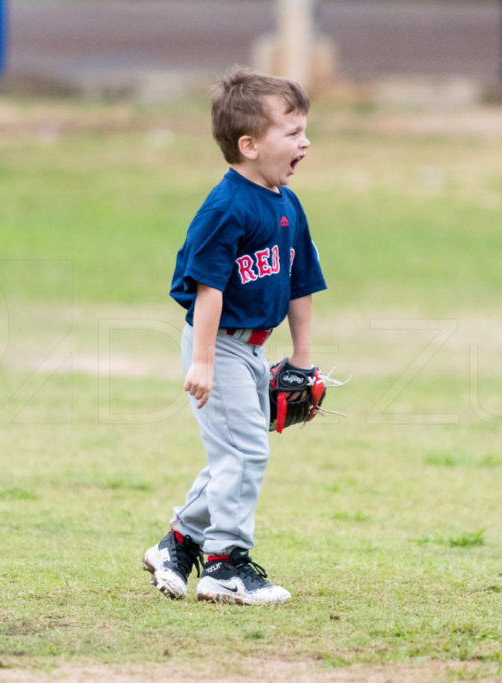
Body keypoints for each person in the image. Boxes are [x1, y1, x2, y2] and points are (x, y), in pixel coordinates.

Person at [143, 67, 326, 606]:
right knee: (246, 453)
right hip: (217, 344)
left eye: (304, 130)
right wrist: (201, 362)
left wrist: (302, 359)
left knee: (235, 455)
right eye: (291, 132)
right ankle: (225, 564)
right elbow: (208, 291)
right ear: (248, 145)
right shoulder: (226, 207)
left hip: (254, 349)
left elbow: (301, 283)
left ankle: (178, 541)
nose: (304, 142)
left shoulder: (287, 205)